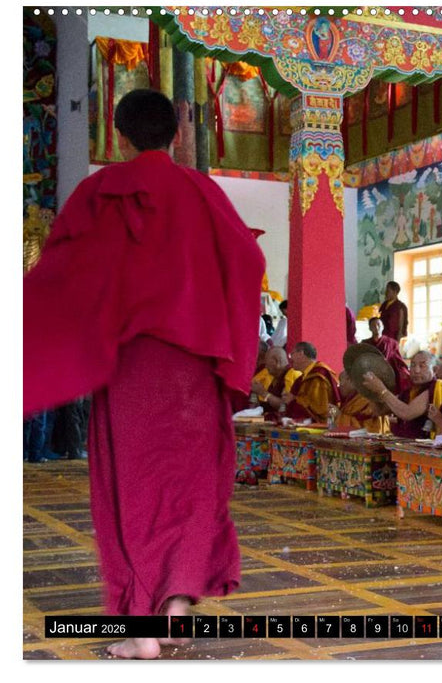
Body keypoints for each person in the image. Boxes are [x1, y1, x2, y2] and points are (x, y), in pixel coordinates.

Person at [23, 89, 264, 658]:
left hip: (132, 369)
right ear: (177, 135)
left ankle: (140, 633)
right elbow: (249, 260)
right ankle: (175, 607)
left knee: (130, 491)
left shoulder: (101, 191)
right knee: (191, 489)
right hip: (195, 369)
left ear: (119, 137)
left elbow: (64, 272)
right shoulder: (203, 192)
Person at [362, 350, 442, 438]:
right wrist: (372, 390)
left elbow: (407, 413)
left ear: (435, 370)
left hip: (424, 444)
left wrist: (381, 389)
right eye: (413, 365)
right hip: (405, 442)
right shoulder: (408, 391)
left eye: (422, 366)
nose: (416, 370)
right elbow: (380, 411)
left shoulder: (435, 387)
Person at [283, 341, 341, 423]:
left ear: (301, 354)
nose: (290, 358)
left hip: (321, 425)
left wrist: (293, 400)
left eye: (291, 354)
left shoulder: (319, 375)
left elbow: (320, 409)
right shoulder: (303, 378)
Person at [364, 317, 411, 392]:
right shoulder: (365, 344)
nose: (376, 327)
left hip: (388, 375)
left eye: (378, 325)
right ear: (370, 328)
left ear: (382, 327)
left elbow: (397, 360)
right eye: (373, 326)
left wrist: (404, 371)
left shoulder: (391, 343)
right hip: (371, 374)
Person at [258, 347, 301, 420]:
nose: (265, 366)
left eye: (267, 363)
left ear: (277, 361)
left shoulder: (292, 375)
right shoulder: (276, 377)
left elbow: (285, 406)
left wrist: (263, 392)